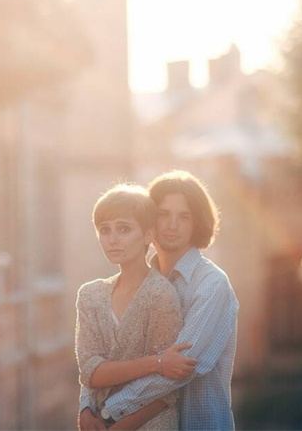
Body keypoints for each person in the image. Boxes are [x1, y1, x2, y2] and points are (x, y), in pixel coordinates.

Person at [80, 170, 239, 431]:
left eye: (184, 216)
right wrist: (87, 406)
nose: (172, 225)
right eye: (164, 214)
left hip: (198, 424)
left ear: (196, 223)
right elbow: (101, 356)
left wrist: (109, 412)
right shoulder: (135, 282)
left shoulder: (212, 285)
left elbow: (179, 369)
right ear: (148, 222)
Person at [75, 184, 189, 430]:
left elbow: (166, 386)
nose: (113, 239)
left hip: (151, 424)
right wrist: (85, 411)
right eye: (105, 230)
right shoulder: (90, 295)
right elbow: (89, 372)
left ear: (148, 235)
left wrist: (117, 427)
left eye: (124, 229)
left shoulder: (161, 294)